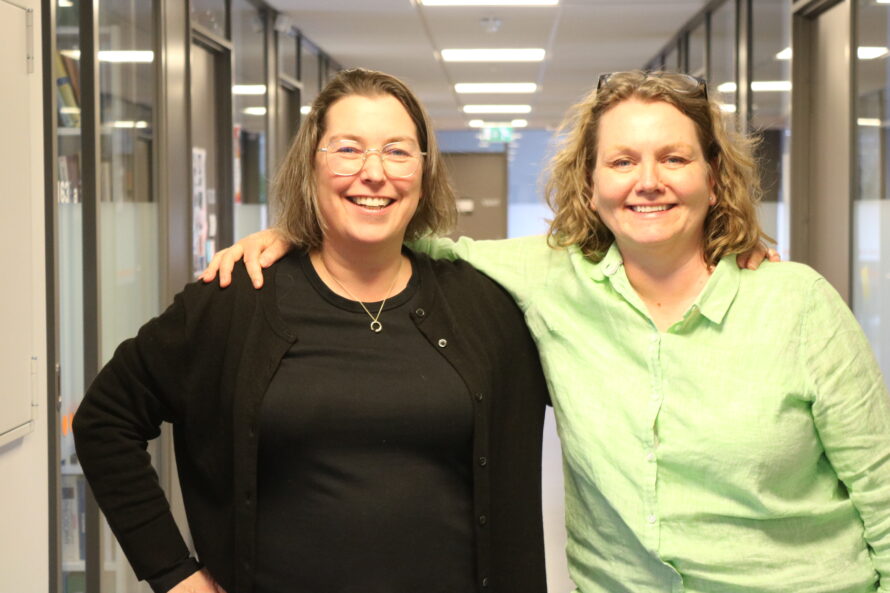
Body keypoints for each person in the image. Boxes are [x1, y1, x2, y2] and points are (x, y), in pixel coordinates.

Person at [206, 70, 890, 592]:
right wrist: (294, 236)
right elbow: (415, 242)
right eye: (621, 161)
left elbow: (882, 496)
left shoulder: (797, 304)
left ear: (715, 179)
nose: (648, 181)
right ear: (589, 185)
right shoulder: (551, 280)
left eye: (675, 159)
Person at [72, 68, 551, 593]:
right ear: (311, 165)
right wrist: (173, 574)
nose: (374, 172)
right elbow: (105, 419)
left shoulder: (484, 305)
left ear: (424, 170)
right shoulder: (238, 300)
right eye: (348, 150)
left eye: (397, 151)